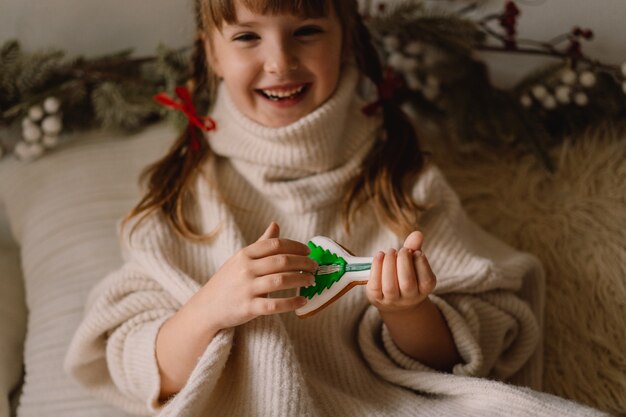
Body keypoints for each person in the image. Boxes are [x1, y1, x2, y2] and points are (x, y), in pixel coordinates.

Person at [64, 1, 604, 416]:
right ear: (211, 52)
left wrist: (407, 311)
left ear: (346, 41)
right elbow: (139, 369)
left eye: (307, 31)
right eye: (248, 36)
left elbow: (472, 350)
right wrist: (210, 309)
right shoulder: (182, 198)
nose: (279, 61)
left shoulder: (402, 181)